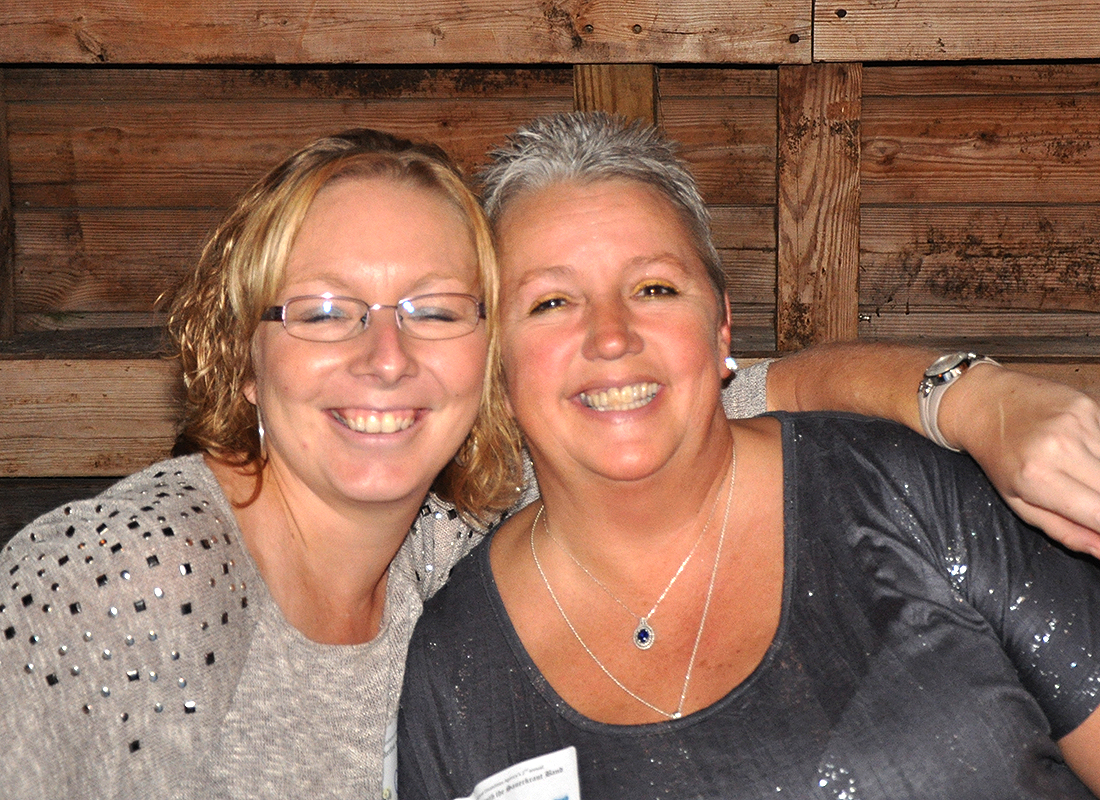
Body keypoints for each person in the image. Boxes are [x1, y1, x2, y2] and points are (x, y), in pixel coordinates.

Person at [0, 125, 1097, 800]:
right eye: (326, 311)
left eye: (432, 311)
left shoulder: (447, 542)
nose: (385, 359)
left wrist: (967, 392)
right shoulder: (142, 572)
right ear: (241, 352)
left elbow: (689, 395)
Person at [397, 112, 1100, 798]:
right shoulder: (454, 660)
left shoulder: (909, 492)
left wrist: (972, 394)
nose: (611, 336)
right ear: (495, 366)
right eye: (551, 302)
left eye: (654, 289)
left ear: (721, 323)